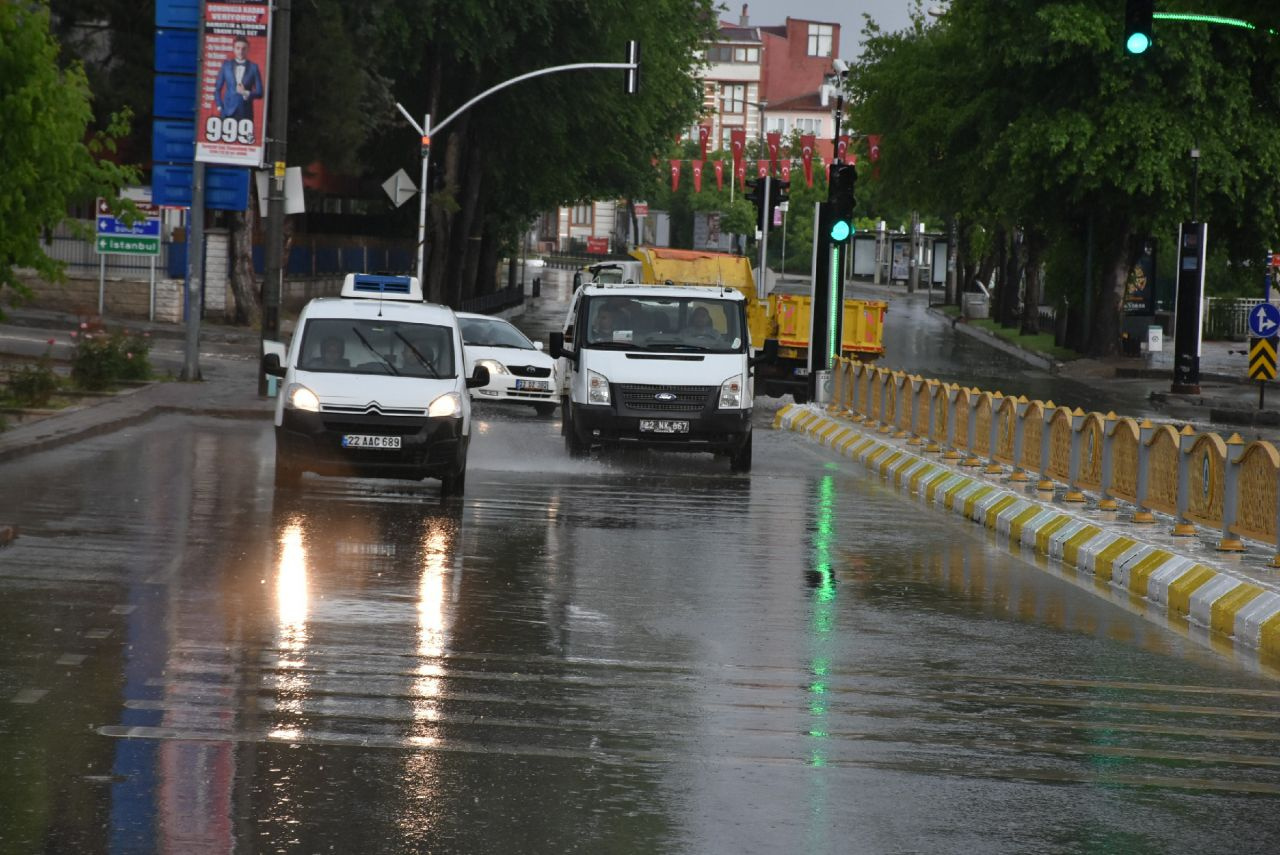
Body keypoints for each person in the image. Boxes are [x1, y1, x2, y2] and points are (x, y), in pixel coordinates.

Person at [214, 35, 263, 123]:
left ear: (248, 50)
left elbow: (260, 93)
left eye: (244, 48)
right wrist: (220, 107)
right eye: (238, 48)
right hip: (227, 112)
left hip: (245, 113)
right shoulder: (226, 65)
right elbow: (217, 89)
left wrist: (245, 93)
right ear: (233, 49)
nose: (240, 51)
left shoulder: (253, 67)